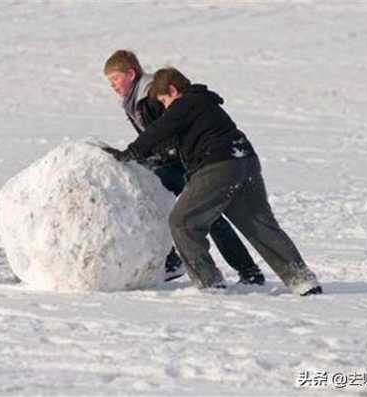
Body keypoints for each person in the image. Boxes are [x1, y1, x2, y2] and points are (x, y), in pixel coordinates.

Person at [104, 67, 322, 296]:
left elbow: (160, 129)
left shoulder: (185, 103)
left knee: (182, 222)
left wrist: (128, 154)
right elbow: (168, 138)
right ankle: (302, 280)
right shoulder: (204, 103)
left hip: (218, 166)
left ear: (172, 90)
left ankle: (210, 283)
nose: (166, 107)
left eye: (164, 101)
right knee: (259, 224)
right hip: (244, 159)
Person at [103, 50, 265, 285]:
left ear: (130, 73)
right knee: (165, 203)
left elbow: (169, 129)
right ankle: (180, 260)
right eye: (110, 82)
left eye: (115, 79)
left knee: (204, 215)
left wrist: (141, 155)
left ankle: (245, 271)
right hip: (174, 161)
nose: (113, 86)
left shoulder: (149, 95)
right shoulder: (133, 99)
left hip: (186, 162)